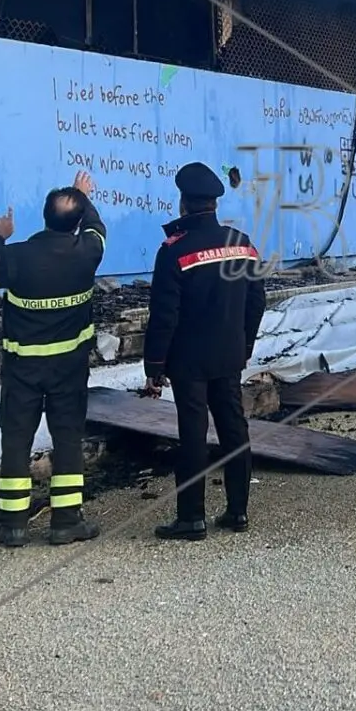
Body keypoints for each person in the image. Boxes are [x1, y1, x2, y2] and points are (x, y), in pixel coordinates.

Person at [0, 171, 107, 547]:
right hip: (69, 368)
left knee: (16, 440)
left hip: (22, 369)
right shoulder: (88, 252)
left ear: (44, 217)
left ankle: (13, 525)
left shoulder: (15, 257)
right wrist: (82, 195)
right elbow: (96, 227)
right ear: (77, 223)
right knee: (68, 439)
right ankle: (66, 522)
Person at [141, 162, 268, 541]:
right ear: (215, 203)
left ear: (183, 202)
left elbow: (165, 315)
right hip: (229, 354)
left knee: (193, 434)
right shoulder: (242, 244)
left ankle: (191, 518)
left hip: (188, 360)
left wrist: (154, 365)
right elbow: (256, 302)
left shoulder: (174, 251)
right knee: (234, 428)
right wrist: (245, 344)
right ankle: (238, 511)